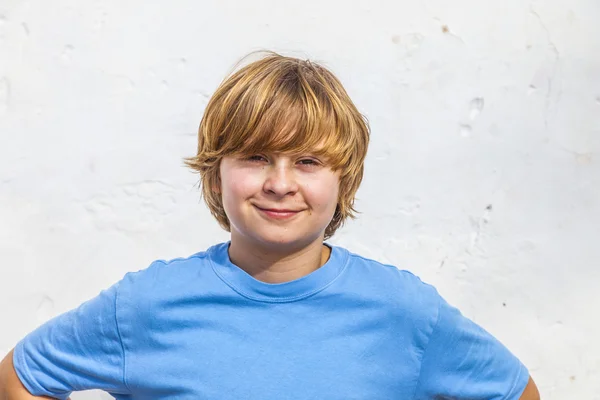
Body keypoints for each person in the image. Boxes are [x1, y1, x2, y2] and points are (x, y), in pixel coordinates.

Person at [0, 51, 540, 399]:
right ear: (215, 176)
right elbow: (20, 378)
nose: (281, 183)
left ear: (343, 182)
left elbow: (519, 392)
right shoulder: (145, 304)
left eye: (308, 162)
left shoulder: (404, 312)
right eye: (256, 157)